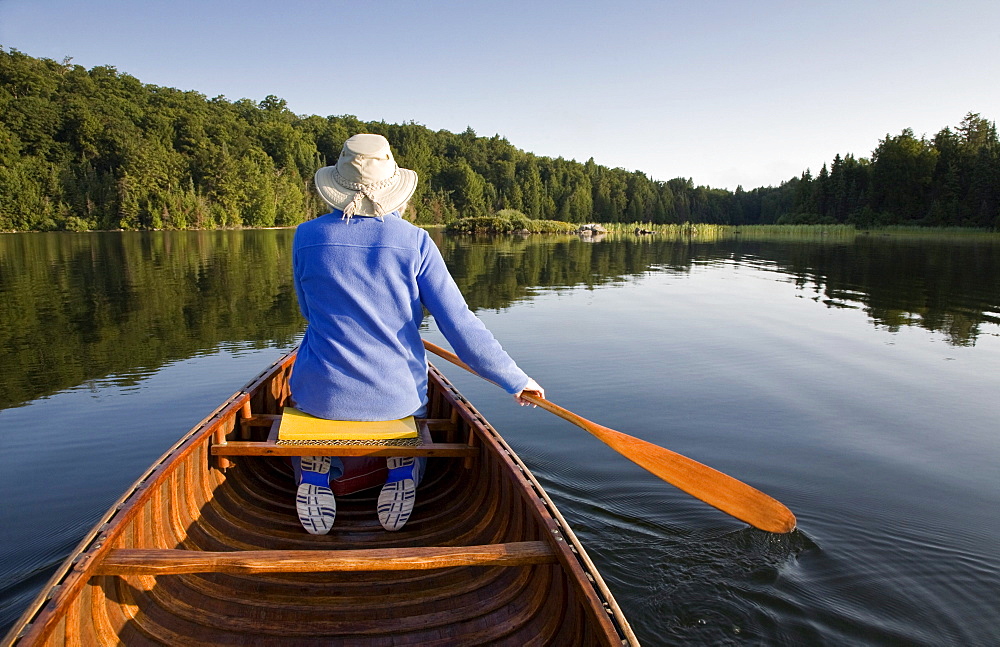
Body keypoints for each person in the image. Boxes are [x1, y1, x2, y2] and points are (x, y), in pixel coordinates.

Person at [290, 133, 544, 534]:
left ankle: (318, 473)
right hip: (395, 397)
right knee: (409, 414)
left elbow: (308, 311)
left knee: (308, 397)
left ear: (336, 187)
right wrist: (515, 379)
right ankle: (403, 470)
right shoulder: (415, 241)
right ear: (392, 188)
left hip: (322, 393)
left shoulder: (305, 237)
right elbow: (459, 324)